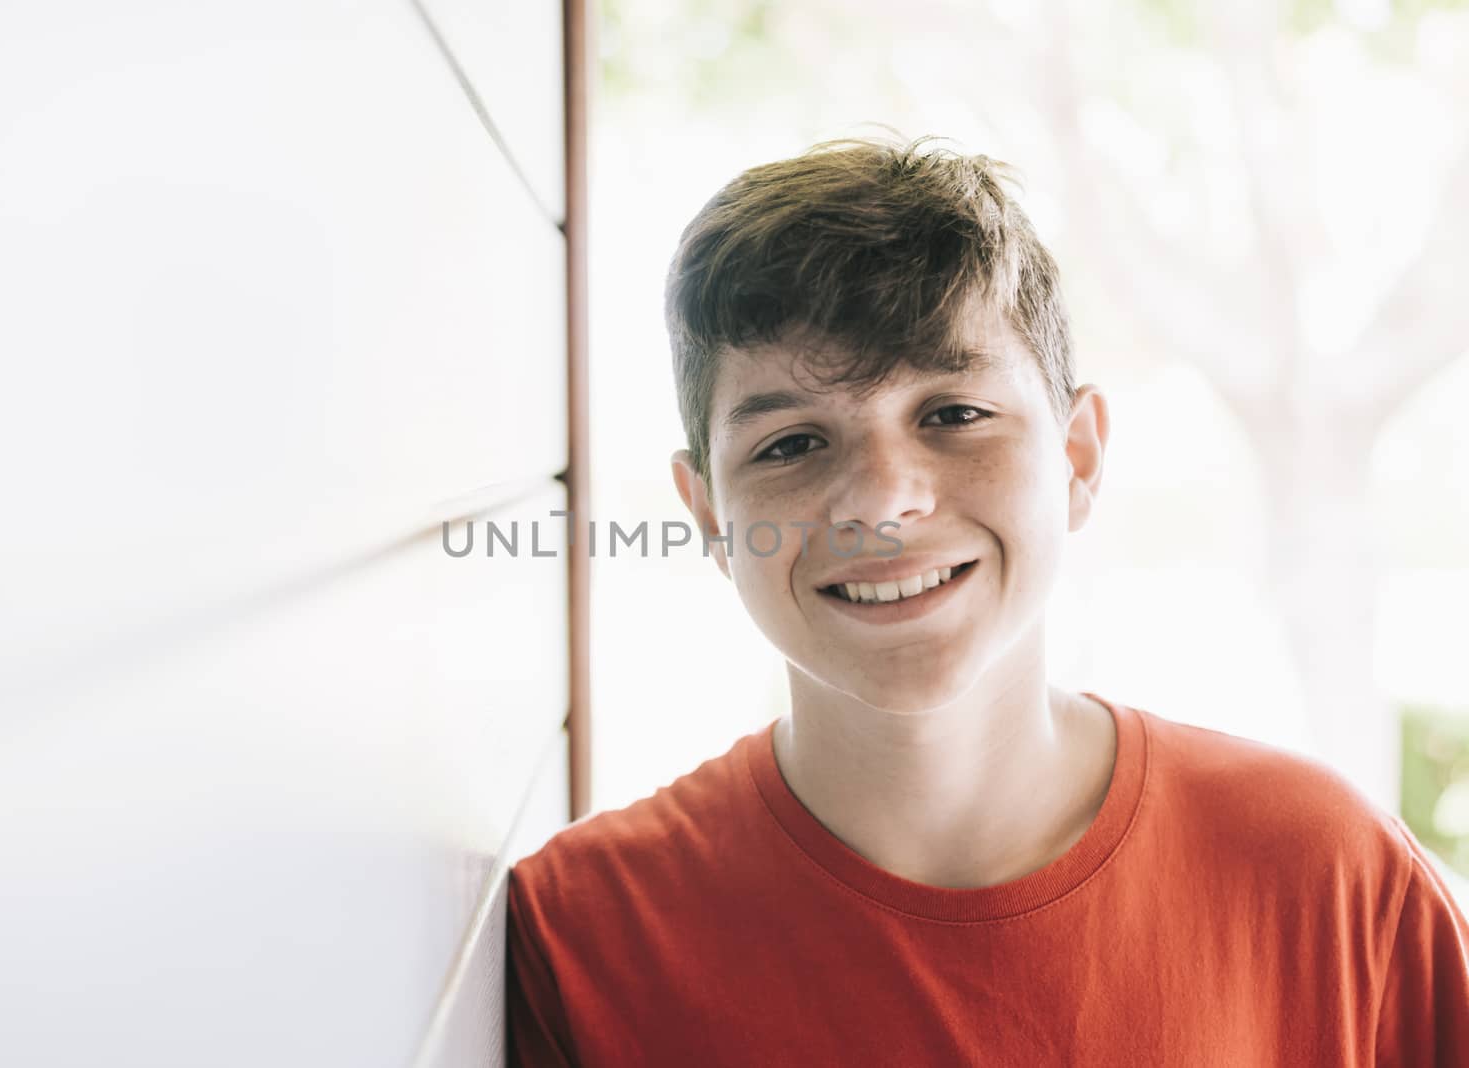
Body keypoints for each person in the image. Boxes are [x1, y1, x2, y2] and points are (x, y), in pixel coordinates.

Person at [504, 135, 1469, 1065]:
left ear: (1077, 457)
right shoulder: (582, 934)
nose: (885, 501)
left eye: (954, 414)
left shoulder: (1325, 873)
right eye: (792, 443)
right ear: (711, 515)